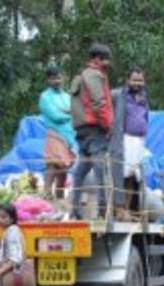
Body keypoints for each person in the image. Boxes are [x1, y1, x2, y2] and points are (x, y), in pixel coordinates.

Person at [69, 43, 114, 221]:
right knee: (100, 168)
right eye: (105, 60)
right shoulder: (95, 75)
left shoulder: (79, 77)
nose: (107, 64)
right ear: (96, 59)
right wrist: (108, 125)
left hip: (81, 129)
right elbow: (98, 103)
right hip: (95, 128)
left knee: (81, 169)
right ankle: (103, 211)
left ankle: (75, 210)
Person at [110, 67, 149, 219]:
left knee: (133, 176)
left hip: (139, 141)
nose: (137, 83)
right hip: (125, 139)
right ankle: (118, 209)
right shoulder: (119, 95)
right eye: (134, 80)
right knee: (121, 175)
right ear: (128, 81)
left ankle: (126, 209)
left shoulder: (143, 97)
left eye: (140, 80)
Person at [39, 66, 77, 202]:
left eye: (59, 78)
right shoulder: (45, 96)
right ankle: (46, 196)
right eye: (53, 78)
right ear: (48, 80)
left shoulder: (67, 96)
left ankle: (60, 199)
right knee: (52, 165)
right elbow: (54, 116)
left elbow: (75, 112)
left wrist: (68, 112)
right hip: (54, 133)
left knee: (64, 168)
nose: (57, 81)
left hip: (69, 136)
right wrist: (69, 113)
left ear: (63, 78)